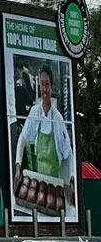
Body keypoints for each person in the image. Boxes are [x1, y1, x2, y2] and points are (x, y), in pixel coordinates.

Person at [14, 63, 73, 205]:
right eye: (42, 84)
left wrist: (71, 180)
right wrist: (17, 166)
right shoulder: (35, 112)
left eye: (47, 84)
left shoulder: (58, 119)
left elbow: (69, 153)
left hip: (55, 183)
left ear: (52, 87)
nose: (44, 89)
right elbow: (23, 138)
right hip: (37, 180)